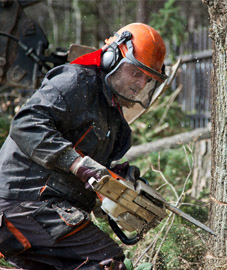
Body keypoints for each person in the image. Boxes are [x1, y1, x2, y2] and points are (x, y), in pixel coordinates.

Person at [0, 23, 167, 270]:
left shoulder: (116, 121)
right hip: (24, 204)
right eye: (135, 72)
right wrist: (76, 163)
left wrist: (116, 185)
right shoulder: (76, 81)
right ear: (113, 58)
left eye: (148, 79)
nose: (140, 84)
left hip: (46, 212)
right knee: (106, 262)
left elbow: (90, 176)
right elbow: (26, 124)